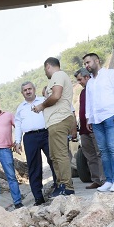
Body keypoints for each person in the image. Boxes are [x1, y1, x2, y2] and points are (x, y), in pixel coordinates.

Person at [82, 53, 114, 193]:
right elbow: (89, 103)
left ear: (97, 61)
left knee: (113, 149)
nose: (87, 65)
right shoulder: (90, 82)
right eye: (85, 63)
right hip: (96, 120)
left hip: (110, 116)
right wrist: (88, 119)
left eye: (88, 62)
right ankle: (108, 181)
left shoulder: (112, 74)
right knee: (103, 151)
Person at [31, 57, 76, 197]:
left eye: (45, 69)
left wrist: (41, 105)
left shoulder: (58, 75)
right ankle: (61, 185)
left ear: (48, 66)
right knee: (54, 156)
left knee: (60, 155)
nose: (45, 72)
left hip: (59, 120)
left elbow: (56, 96)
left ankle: (67, 187)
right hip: (55, 121)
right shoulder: (58, 77)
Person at [13, 81, 57, 205]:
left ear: (34, 89)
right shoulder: (20, 107)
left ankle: (59, 187)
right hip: (29, 138)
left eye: (29, 89)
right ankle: (38, 197)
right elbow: (18, 125)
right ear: (22, 93)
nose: (28, 91)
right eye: (25, 90)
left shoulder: (44, 101)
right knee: (34, 166)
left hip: (46, 134)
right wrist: (17, 141)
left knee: (53, 159)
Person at [74, 69, 106, 189]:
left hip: (95, 126)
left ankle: (104, 180)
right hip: (83, 129)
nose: (79, 82)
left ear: (87, 77)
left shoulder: (96, 88)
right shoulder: (82, 93)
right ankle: (96, 180)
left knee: (100, 153)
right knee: (90, 156)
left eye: (80, 79)